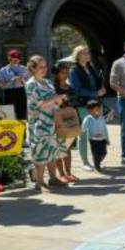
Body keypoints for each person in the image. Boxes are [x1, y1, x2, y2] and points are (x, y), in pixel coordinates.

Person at [24, 55, 70, 191]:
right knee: (40, 152)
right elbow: (40, 104)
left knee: (52, 150)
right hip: (38, 123)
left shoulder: (48, 82)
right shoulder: (31, 84)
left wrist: (60, 101)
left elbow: (55, 103)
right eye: (40, 67)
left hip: (51, 121)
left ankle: (53, 178)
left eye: (45, 66)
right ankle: (39, 182)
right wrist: (56, 98)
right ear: (33, 69)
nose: (44, 69)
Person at [68, 45, 108, 171]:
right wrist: (96, 93)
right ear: (78, 55)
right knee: (84, 133)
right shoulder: (74, 70)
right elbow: (77, 90)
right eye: (84, 53)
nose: (87, 55)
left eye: (88, 53)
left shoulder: (91, 68)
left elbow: (96, 83)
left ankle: (97, 160)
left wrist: (101, 88)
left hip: (96, 104)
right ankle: (85, 161)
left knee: (97, 132)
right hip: (83, 105)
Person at [53, 63, 79, 182]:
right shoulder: (52, 88)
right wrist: (61, 101)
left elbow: (74, 104)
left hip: (69, 122)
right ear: (57, 74)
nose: (65, 75)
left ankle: (69, 173)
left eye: (66, 72)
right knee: (59, 149)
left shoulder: (71, 88)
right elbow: (52, 105)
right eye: (63, 72)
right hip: (57, 122)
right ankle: (61, 174)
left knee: (67, 149)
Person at [0, 49, 29, 120]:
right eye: (14, 57)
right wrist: (11, 80)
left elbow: (28, 85)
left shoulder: (24, 69)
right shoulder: (3, 70)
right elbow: (1, 86)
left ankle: (23, 130)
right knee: (8, 116)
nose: (16, 59)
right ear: (9, 58)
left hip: (21, 92)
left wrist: (22, 80)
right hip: (8, 93)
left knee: (22, 116)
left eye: (18, 57)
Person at [81, 99, 109, 172]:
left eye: (99, 109)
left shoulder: (102, 118)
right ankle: (97, 166)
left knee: (104, 152)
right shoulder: (88, 119)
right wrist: (82, 130)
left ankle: (97, 162)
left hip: (102, 139)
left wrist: (107, 138)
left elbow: (105, 128)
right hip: (93, 140)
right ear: (90, 111)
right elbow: (83, 127)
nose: (98, 111)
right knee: (96, 153)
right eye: (96, 109)